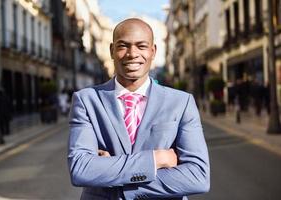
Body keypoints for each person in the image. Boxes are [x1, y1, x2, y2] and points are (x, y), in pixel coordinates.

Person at [68, 18, 210, 200]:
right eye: (123, 46)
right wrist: (156, 159)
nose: (132, 53)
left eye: (141, 46)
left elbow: (198, 177)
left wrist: (111, 175)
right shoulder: (86, 100)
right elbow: (81, 170)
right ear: (112, 51)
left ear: (153, 51)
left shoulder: (181, 102)